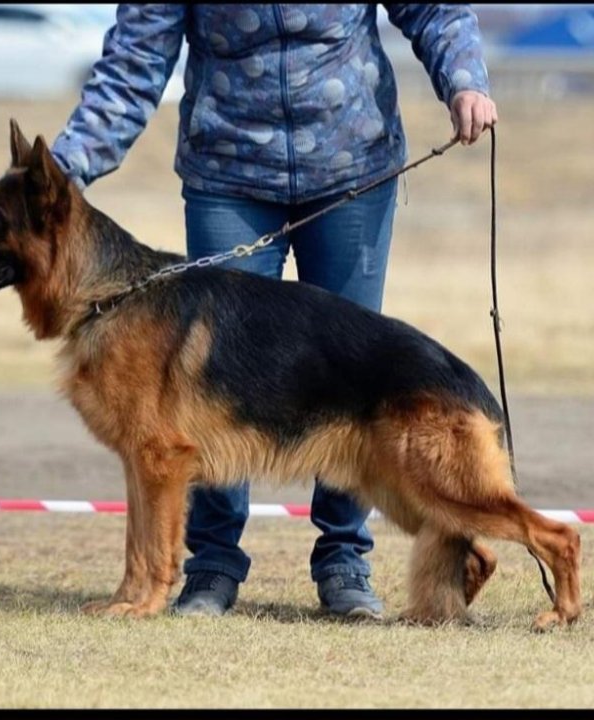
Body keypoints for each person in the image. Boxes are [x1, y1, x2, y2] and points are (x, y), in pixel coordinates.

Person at [51, 4, 498, 619]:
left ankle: (343, 560)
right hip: (227, 172)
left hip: (351, 166)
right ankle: (211, 567)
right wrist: (61, 169)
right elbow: (135, 58)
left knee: (353, 380)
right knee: (207, 386)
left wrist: (465, 78)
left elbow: (433, 8)